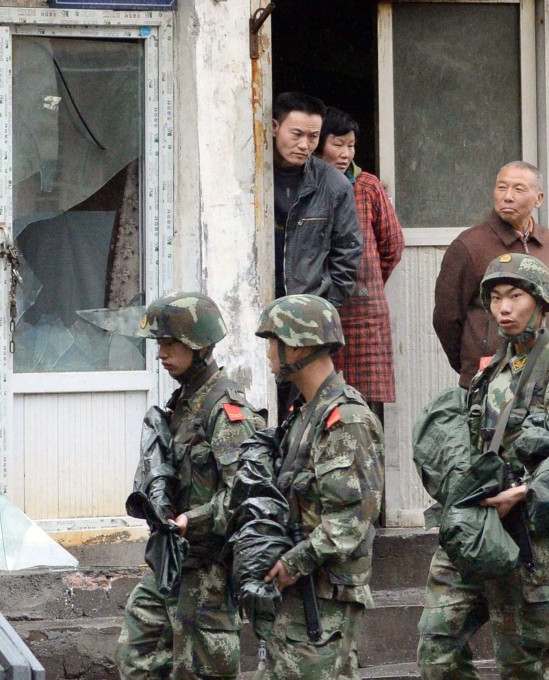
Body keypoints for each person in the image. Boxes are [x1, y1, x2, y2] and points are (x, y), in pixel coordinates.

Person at [416, 254, 549, 680]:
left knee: (524, 664)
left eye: (515, 296)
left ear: (542, 303)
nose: (503, 308)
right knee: (436, 646)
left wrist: (524, 492)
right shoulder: (490, 370)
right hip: (475, 526)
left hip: (530, 536)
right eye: (495, 298)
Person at [115, 292, 264, 680]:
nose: (161, 354)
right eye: (159, 344)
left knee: (202, 671)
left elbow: (245, 496)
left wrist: (191, 520)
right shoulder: (184, 402)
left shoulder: (225, 410)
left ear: (199, 346)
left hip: (209, 570)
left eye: (169, 343)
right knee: (139, 651)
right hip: (173, 563)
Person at [254, 294, 383, 680]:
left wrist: (292, 563)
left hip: (323, 598)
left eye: (272, 342)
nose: (269, 354)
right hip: (299, 593)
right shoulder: (303, 415)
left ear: (298, 343)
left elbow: (349, 521)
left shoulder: (344, 420)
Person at [433, 161, 549, 388]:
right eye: (501, 187)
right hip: (488, 377)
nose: (507, 196)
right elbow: (446, 319)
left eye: (519, 189)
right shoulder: (469, 245)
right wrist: (472, 361)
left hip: (544, 376)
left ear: (539, 199)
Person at [314, 106, 404, 412]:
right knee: (321, 399)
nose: (345, 154)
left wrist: (368, 282)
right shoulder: (307, 185)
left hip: (365, 315)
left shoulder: (367, 186)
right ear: (318, 143)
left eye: (350, 145)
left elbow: (392, 246)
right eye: (337, 144)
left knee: (365, 407)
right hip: (320, 310)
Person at [272, 92, 362, 308]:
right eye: (296, 134)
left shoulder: (334, 185)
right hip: (253, 306)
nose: (304, 144)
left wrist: (325, 306)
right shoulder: (246, 182)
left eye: (313, 136)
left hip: (308, 313)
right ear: (275, 127)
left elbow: (348, 252)